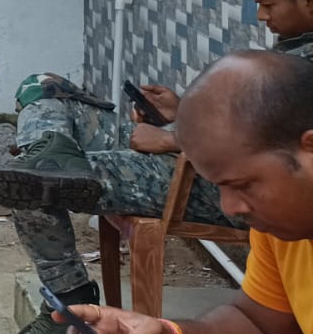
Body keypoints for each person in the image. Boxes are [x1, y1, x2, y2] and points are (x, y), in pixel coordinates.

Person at [0, 0, 313, 334]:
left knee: (35, 184)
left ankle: (67, 286)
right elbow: (254, 322)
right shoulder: (284, 231)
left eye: (269, 5)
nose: (261, 16)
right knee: (42, 90)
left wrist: (172, 140)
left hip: (185, 172)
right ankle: (52, 148)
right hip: (183, 151)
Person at [62, 50, 313, 333]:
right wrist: (166, 331)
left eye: (243, 185)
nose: (229, 207)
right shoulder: (283, 233)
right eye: (219, 186)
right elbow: (256, 322)